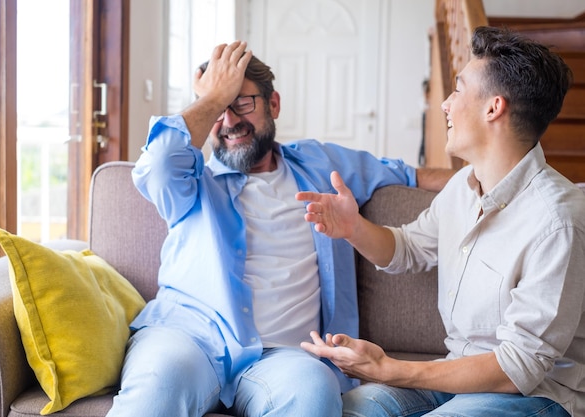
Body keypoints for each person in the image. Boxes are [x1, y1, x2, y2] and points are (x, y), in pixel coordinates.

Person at [106, 41, 453, 417]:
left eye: (242, 102)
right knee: (159, 385)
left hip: (285, 358)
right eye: (219, 109)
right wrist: (213, 97)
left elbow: (410, 174)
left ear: (274, 104)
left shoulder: (321, 163)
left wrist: (500, 179)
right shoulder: (190, 182)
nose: (229, 121)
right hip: (188, 340)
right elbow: (155, 164)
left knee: (314, 390)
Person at [298, 26, 585, 416]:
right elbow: (408, 249)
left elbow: (518, 369)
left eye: (458, 90)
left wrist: (390, 369)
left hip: (535, 395)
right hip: (453, 377)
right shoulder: (462, 188)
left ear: (493, 108)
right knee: (348, 409)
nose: (445, 104)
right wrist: (353, 229)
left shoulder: (557, 220)